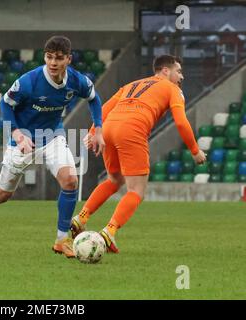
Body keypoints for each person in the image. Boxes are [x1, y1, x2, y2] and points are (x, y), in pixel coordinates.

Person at [0, 36, 105, 257]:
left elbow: (94, 98)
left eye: (58, 58)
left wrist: (99, 130)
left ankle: (61, 239)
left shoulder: (77, 81)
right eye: (49, 57)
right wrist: (17, 134)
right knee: (2, 194)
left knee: (70, 180)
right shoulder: (29, 81)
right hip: (23, 138)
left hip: (53, 135)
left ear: (69, 59)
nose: (53, 63)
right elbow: (5, 104)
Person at [71, 55, 207, 253]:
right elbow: (180, 121)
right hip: (132, 129)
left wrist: (94, 132)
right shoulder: (172, 89)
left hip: (109, 128)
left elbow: (105, 108)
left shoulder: (132, 84)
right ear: (165, 71)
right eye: (178, 71)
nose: (182, 76)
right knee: (136, 191)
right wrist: (195, 151)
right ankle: (109, 233)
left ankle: (81, 217)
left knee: (114, 179)